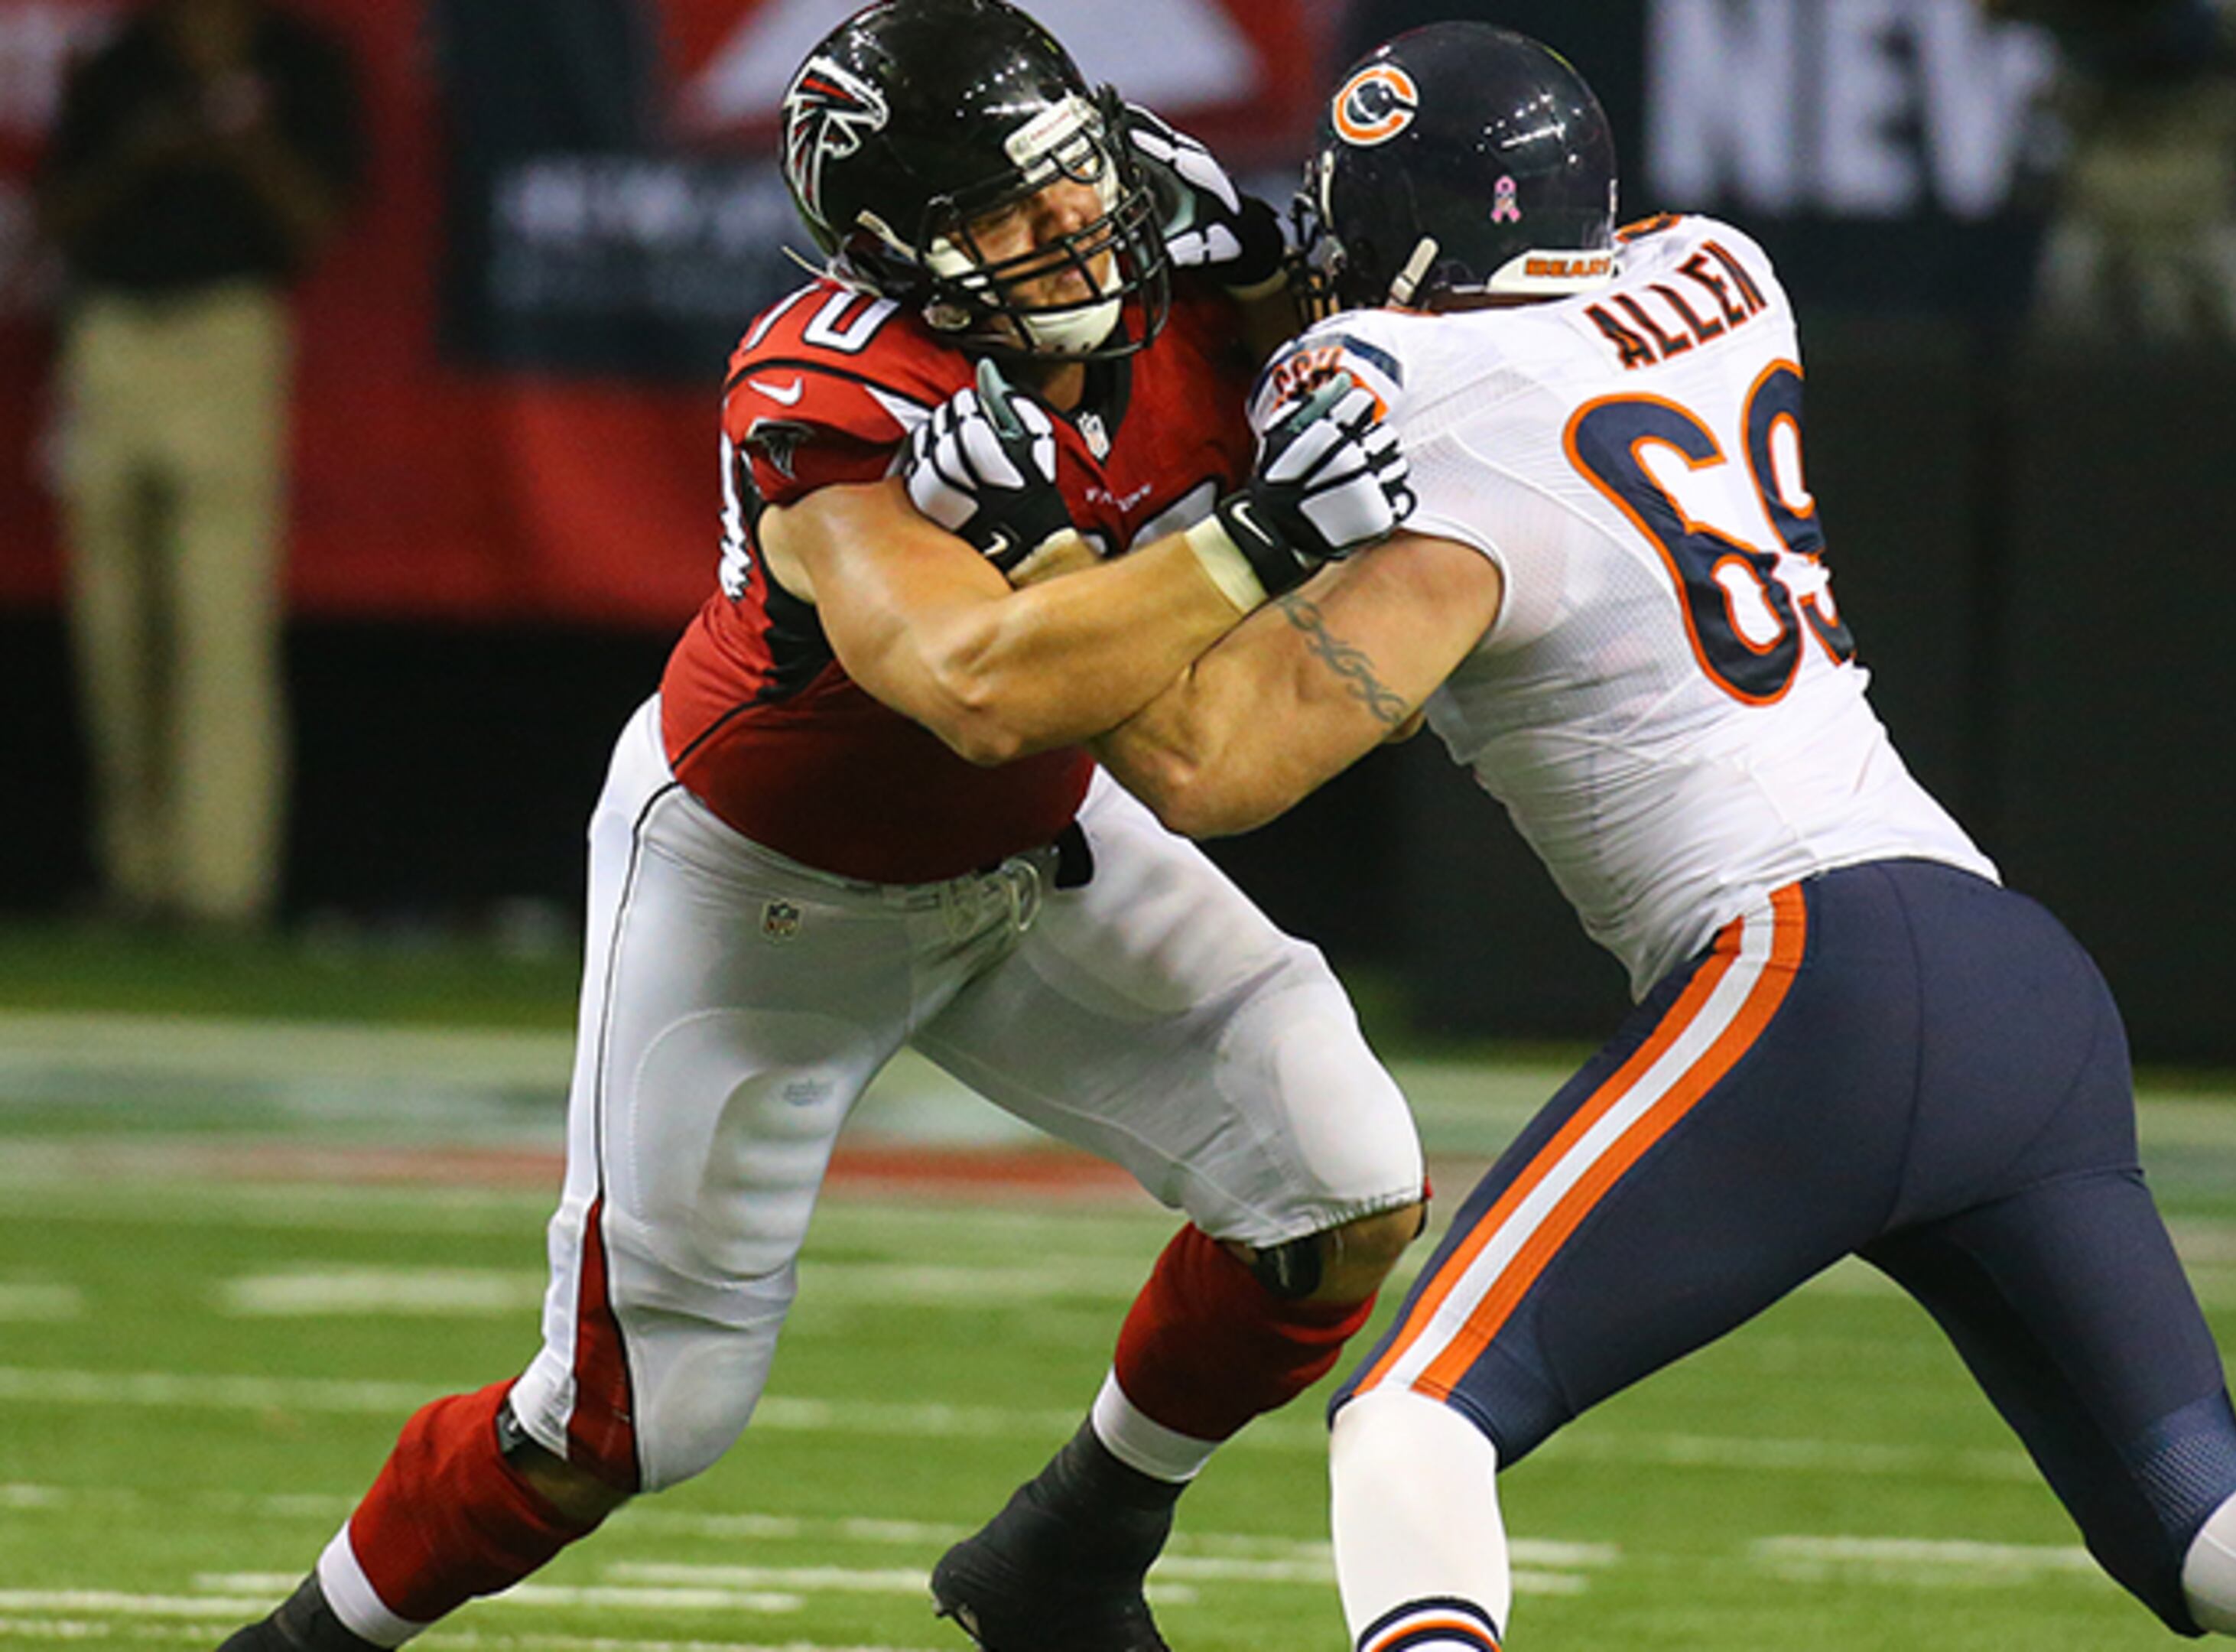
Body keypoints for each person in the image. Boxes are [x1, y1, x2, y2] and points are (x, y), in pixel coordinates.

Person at [1068, 24, 2236, 1652]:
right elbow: (1512, 334)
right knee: (2203, 1503)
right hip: (2009, 979)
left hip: (1803, 975)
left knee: (1413, 1417)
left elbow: (1216, 765)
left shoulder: (1404, 401)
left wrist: (1054, 578)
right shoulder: (1717, 271)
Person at [213, 4, 1425, 1650]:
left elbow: (1369, 360)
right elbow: (978, 689)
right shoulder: (837, 396)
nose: (1069, 225)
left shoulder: (1186, 245)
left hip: (1036, 858)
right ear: (901, 257)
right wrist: (1266, 539)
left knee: (1339, 1187)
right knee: (628, 1425)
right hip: (773, 893)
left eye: (1070, 176)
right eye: (1004, 213)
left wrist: (1311, 316)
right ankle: (299, 1645)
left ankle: (1074, 1544)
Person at [37, 0, 364, 929]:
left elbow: (318, 222)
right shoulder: (120, 67)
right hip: (110, 335)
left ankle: (221, 887)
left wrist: (242, 142)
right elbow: (57, 216)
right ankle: (134, 876)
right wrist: (142, 153)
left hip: (229, 330)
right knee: (113, 621)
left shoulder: (299, 64)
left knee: (219, 618)